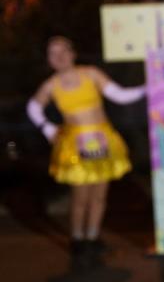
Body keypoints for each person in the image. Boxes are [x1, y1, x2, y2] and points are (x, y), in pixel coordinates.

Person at [27, 36, 145, 260]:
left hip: (102, 139)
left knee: (99, 195)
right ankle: (78, 239)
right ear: (49, 60)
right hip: (75, 144)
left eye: (63, 51)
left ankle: (93, 237)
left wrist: (145, 89)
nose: (60, 57)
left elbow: (118, 95)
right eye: (53, 53)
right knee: (81, 196)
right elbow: (33, 107)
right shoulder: (51, 85)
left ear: (73, 53)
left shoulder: (91, 74)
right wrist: (47, 128)